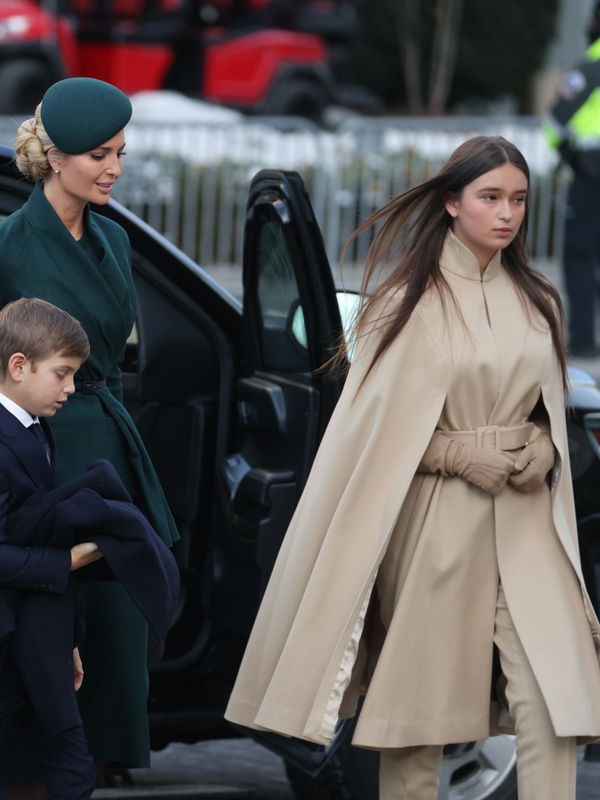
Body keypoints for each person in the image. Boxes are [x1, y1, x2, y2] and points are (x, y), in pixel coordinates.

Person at [225, 136, 600, 798]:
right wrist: (457, 451)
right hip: (436, 526)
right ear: (452, 203)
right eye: (490, 198)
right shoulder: (404, 303)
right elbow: (368, 435)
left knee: (555, 705)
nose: (506, 214)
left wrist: (543, 446)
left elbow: (548, 411)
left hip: (527, 521)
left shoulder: (539, 297)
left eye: (517, 199)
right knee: (420, 724)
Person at [0, 77, 180, 792]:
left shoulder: (116, 239)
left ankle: (89, 769)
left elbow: (114, 363)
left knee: (112, 635)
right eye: (99, 154)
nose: (114, 169)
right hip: (36, 464)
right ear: (55, 157)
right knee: (36, 648)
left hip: (105, 446)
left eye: (120, 153)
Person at [0, 298, 180, 800]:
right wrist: (68, 562)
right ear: (18, 366)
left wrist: (68, 639)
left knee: (68, 757)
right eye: (62, 374)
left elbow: (38, 526)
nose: (70, 389)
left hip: (38, 629)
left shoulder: (37, 427)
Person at [547, 1, 600, 357]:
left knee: (580, 257)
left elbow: (555, 121)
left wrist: (566, 154)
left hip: (592, 176)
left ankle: (583, 340)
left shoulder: (591, 66)